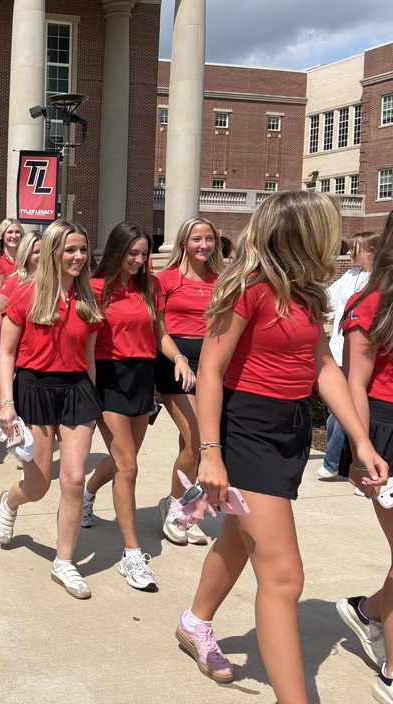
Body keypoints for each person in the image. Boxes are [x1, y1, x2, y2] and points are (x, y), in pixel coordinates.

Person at [175, 190, 386, 699]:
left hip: (288, 427)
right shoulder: (248, 287)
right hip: (246, 427)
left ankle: (194, 622)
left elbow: (323, 367)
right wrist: (210, 451)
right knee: (285, 576)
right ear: (302, 233)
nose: (335, 237)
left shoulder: (308, 293)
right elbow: (210, 369)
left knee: (241, 539)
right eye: (327, 228)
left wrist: (360, 440)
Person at [80, 221, 194, 592]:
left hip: (142, 376)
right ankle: (131, 555)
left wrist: (178, 358)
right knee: (129, 466)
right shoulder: (95, 288)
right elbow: (82, 339)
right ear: (116, 251)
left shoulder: (151, 287)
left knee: (118, 463)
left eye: (144, 254)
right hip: (108, 377)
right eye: (133, 253)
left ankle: (87, 492)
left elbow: (160, 331)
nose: (139, 260)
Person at [0, 221, 103, 598]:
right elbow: (6, 354)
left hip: (76, 390)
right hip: (34, 388)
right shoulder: (26, 293)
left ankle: (64, 562)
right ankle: (10, 500)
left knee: (73, 481)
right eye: (70, 249)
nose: (78, 257)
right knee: (38, 486)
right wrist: (6, 403)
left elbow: (89, 359)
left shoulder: (87, 298)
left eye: (83, 250)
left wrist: (94, 399)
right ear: (54, 251)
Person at [338, 214, 393, 703]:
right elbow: (354, 381)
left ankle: (369, 611)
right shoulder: (369, 304)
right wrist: (363, 448)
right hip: (385, 431)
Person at [154, 217, 225, 546]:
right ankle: (175, 507)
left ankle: (188, 505)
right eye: (197, 239)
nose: (204, 245)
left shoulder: (220, 281)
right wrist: (179, 359)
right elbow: (159, 331)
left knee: (195, 443)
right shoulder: (165, 279)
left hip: (209, 367)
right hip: (175, 365)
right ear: (184, 241)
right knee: (197, 437)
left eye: (209, 239)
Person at [318, 231, 377, 479]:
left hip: (361, 357)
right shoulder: (349, 276)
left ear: (371, 251)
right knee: (337, 413)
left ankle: (334, 463)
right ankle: (348, 463)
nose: (349, 253)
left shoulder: (378, 280)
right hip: (339, 352)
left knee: (346, 411)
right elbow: (327, 302)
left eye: (355, 249)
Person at [0, 229, 41, 446]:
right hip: (16, 351)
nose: (41, 257)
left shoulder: (54, 284)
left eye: (45, 252)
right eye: (35, 252)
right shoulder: (13, 283)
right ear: (25, 255)